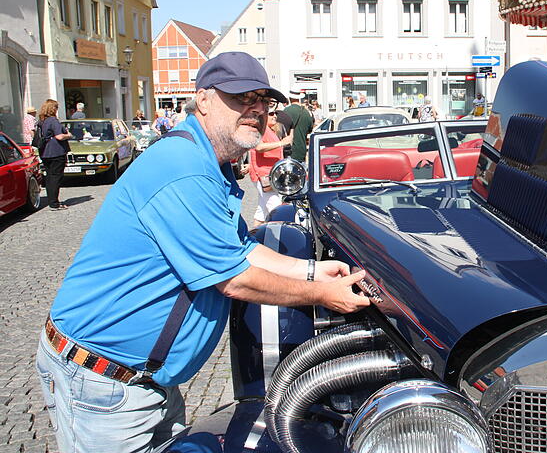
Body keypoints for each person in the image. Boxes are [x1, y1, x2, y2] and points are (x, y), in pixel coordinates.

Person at [35, 51, 369, 453]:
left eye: (264, 100)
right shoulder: (184, 166)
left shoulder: (212, 162)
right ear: (204, 99)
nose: (257, 110)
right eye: (243, 98)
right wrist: (322, 295)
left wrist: (313, 270)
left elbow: (241, 249)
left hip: (146, 380)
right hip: (103, 383)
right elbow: (234, 278)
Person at [247, 108, 293, 227]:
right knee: (277, 209)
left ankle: (254, 236)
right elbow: (258, 147)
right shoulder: (261, 130)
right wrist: (282, 143)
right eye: (271, 113)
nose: (275, 116)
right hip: (263, 175)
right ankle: (279, 237)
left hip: (268, 174)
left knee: (261, 211)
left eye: (275, 113)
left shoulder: (269, 130)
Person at [37, 99, 73, 210]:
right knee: (56, 177)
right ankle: (54, 203)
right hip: (56, 152)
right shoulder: (53, 121)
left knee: (49, 177)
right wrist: (69, 135)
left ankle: (51, 201)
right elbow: (59, 136)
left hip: (44, 152)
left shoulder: (41, 121)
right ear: (53, 109)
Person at [284, 90, 314, 162]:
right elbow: (310, 129)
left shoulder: (286, 111)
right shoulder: (306, 112)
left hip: (290, 151)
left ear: (290, 98)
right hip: (302, 150)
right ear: (299, 98)